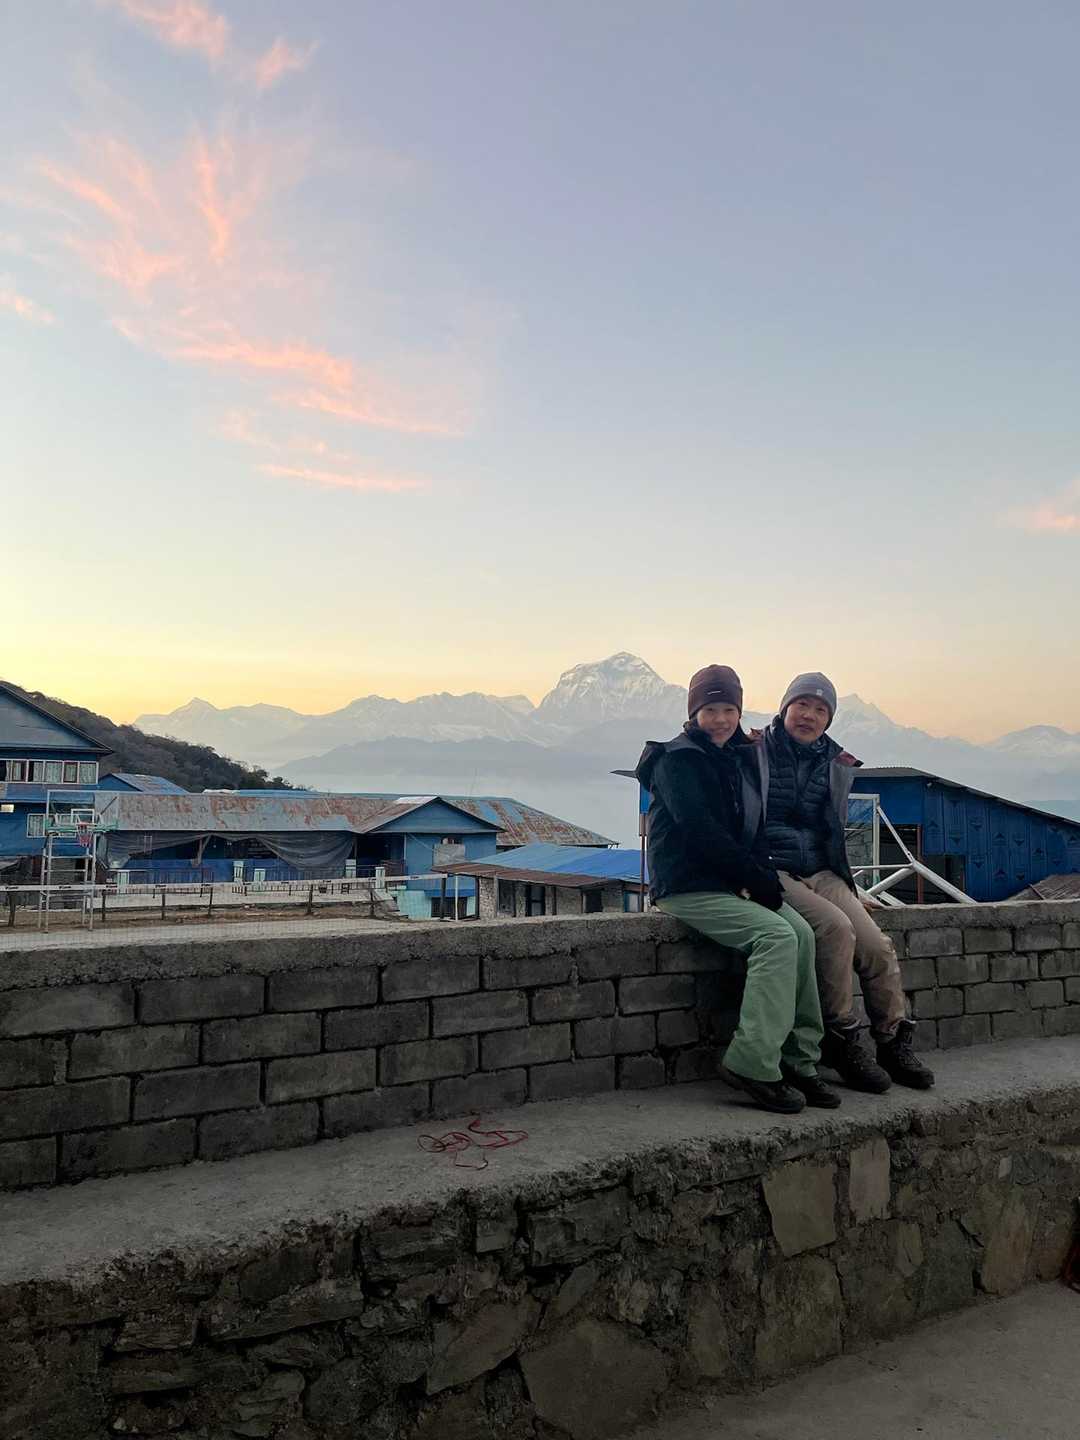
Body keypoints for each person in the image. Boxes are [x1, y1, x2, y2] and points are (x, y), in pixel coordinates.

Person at [635, 664, 837, 1115]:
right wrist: (753, 878)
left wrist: (761, 876)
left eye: (729, 709)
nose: (721, 720)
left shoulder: (737, 758)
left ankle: (800, 1059)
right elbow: (701, 832)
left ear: (740, 712)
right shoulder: (677, 760)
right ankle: (752, 1062)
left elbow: (752, 828)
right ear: (694, 713)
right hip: (687, 886)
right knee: (776, 936)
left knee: (802, 934)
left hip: (728, 883)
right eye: (711, 710)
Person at [759, 672, 934, 1091]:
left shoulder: (836, 764)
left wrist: (851, 890)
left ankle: (892, 1041)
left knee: (876, 945)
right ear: (785, 708)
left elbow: (833, 831)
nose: (809, 715)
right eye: (802, 705)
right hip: (773, 869)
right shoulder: (754, 753)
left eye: (821, 710)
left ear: (829, 719)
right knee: (835, 929)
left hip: (825, 872)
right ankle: (840, 1040)